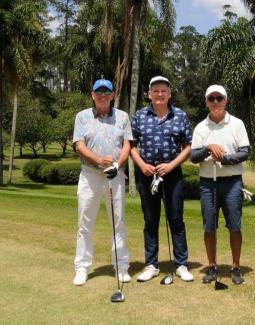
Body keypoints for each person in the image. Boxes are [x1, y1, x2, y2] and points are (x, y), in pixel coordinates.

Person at [131, 76, 194, 282]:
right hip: (147, 174)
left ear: (169, 94)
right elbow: (130, 145)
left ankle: (181, 264)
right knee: (150, 220)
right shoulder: (140, 116)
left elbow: (188, 147)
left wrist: (171, 165)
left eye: (163, 91)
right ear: (149, 94)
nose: (159, 94)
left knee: (176, 219)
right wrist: (141, 165)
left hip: (172, 174)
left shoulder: (180, 116)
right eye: (155, 90)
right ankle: (151, 265)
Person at [72, 79, 132, 286]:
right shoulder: (82, 117)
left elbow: (127, 145)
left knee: (118, 221)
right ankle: (82, 267)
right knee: (85, 222)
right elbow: (79, 146)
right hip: (90, 175)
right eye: (99, 92)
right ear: (92, 95)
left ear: (113, 95)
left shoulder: (122, 117)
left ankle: (121, 266)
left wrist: (117, 165)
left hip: (115, 175)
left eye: (107, 92)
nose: (103, 95)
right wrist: (98, 160)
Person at [191, 85, 250, 285]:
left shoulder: (237, 124)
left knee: (234, 225)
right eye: (211, 98)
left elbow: (244, 152)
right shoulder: (201, 127)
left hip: (232, 182)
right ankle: (212, 266)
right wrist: (209, 148)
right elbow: (193, 156)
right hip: (208, 183)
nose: (215, 102)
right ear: (206, 102)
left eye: (219, 98)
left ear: (226, 101)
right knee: (209, 226)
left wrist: (224, 159)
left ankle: (235, 266)